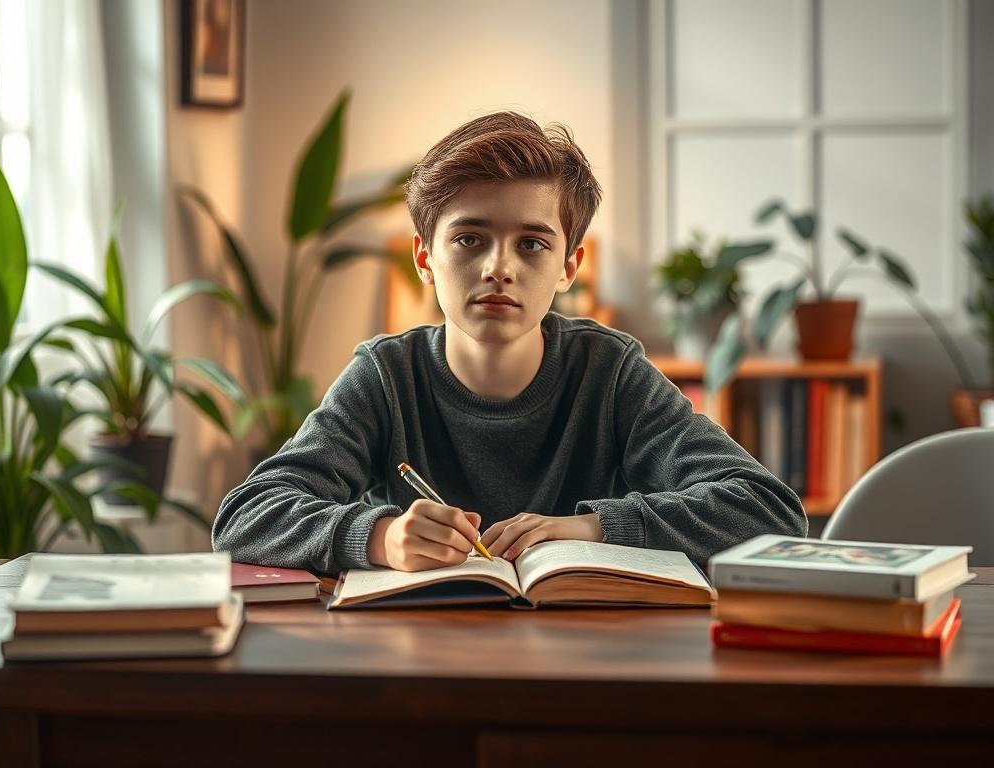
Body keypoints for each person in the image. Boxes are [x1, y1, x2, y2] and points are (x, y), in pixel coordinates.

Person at [212, 111, 807, 575]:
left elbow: (769, 510)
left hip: (588, 653)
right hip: (418, 652)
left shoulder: (609, 371)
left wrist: (596, 529)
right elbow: (244, 516)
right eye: (469, 239)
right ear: (424, 257)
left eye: (532, 244)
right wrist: (382, 537)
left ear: (569, 267)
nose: (499, 268)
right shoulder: (386, 376)